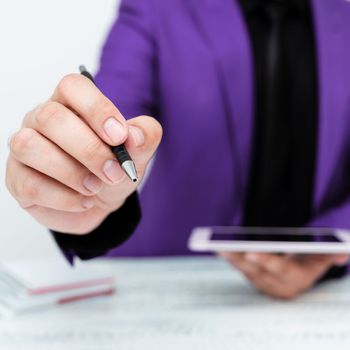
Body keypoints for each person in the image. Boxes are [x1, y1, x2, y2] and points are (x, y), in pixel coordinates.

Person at [5, 0, 350, 300]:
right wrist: (83, 168)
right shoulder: (156, 8)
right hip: (170, 284)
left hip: (320, 298)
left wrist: (324, 257)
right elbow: (115, 116)